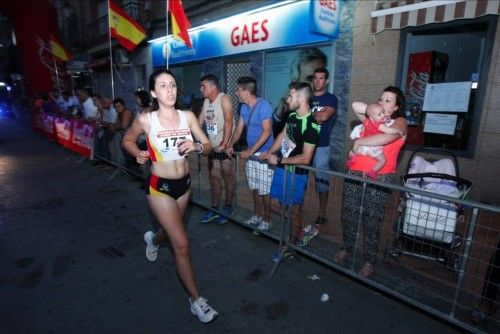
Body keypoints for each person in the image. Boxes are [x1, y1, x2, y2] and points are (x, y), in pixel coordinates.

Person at [122, 69, 218, 323]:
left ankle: (153, 239)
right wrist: (137, 153)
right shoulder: (146, 119)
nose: (170, 90)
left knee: (169, 232)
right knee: (182, 243)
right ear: (153, 92)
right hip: (159, 187)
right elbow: (128, 139)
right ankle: (196, 300)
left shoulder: (187, 117)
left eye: (173, 85)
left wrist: (197, 146)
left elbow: (208, 146)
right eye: (163, 86)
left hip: (184, 186)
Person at [334, 86, 407, 278]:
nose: (383, 102)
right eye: (381, 99)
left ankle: (369, 260)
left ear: (397, 106)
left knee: (372, 219)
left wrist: (358, 143)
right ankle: (347, 248)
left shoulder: (400, 122)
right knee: (349, 212)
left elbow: (386, 138)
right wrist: (375, 110)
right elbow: (356, 106)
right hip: (356, 172)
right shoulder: (374, 119)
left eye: (388, 100)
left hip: (380, 176)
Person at [260, 82, 319, 247]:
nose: (287, 99)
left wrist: (279, 160)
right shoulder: (292, 116)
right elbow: (282, 136)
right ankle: (303, 227)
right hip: (282, 168)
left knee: (293, 210)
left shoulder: (311, 125)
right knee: (273, 204)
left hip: (297, 173)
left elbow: (306, 158)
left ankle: (290, 247)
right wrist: (270, 152)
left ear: (301, 98)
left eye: (291, 96)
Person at [226, 76, 274, 232]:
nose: (236, 93)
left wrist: (250, 151)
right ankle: (257, 215)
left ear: (246, 92)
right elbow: (239, 128)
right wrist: (230, 144)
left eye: (238, 90)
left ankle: (267, 219)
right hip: (251, 155)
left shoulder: (264, 105)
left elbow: (267, 132)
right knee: (254, 187)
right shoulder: (244, 107)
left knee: (264, 191)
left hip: (263, 154)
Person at [198, 74, 235, 225]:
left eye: (203, 86)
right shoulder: (206, 102)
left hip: (224, 148)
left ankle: (228, 207)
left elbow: (228, 122)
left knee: (228, 178)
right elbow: (198, 122)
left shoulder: (224, 98)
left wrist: (224, 144)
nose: (201, 89)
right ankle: (214, 208)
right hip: (213, 147)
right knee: (214, 178)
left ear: (213, 86)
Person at [272, 48, 327, 137]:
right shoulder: (290, 106)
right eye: (310, 78)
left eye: (321, 77)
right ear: (295, 82)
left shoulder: (330, 101)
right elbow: (277, 137)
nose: (317, 83)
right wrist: (278, 116)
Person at [310, 67, 338, 226]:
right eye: (315, 78)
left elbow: (324, 116)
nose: (318, 81)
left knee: (322, 180)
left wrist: (305, 116)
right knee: (301, 178)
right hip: (304, 145)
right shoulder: (306, 97)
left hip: (321, 145)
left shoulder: (331, 98)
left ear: (326, 80)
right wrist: (315, 117)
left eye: (321, 78)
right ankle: (296, 210)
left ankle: (322, 213)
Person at [347, 103, 404, 180]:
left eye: (383, 112)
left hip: (362, 147)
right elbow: (389, 131)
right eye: (379, 115)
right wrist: (397, 131)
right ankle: (373, 171)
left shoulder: (367, 121)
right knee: (382, 160)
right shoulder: (379, 125)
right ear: (372, 118)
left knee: (352, 152)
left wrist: (375, 112)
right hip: (372, 148)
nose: (383, 115)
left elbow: (375, 116)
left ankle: (352, 159)